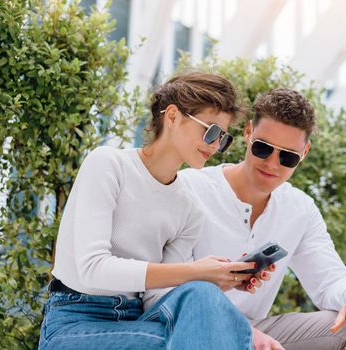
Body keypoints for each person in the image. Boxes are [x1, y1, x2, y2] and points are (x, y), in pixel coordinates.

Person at [39, 72, 256, 350]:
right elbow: (93, 269)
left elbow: (154, 298)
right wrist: (193, 271)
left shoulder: (189, 209)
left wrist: (211, 280)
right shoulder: (108, 165)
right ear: (173, 116)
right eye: (211, 131)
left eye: (223, 138)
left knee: (202, 295)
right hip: (76, 320)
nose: (215, 145)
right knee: (174, 341)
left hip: (139, 318)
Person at [180, 88, 346, 350]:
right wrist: (237, 329)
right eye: (263, 148)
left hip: (258, 335)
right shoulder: (191, 189)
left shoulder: (299, 209)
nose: (272, 164)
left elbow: (329, 280)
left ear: (304, 152)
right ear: (247, 133)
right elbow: (165, 289)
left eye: (288, 156)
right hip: (190, 328)